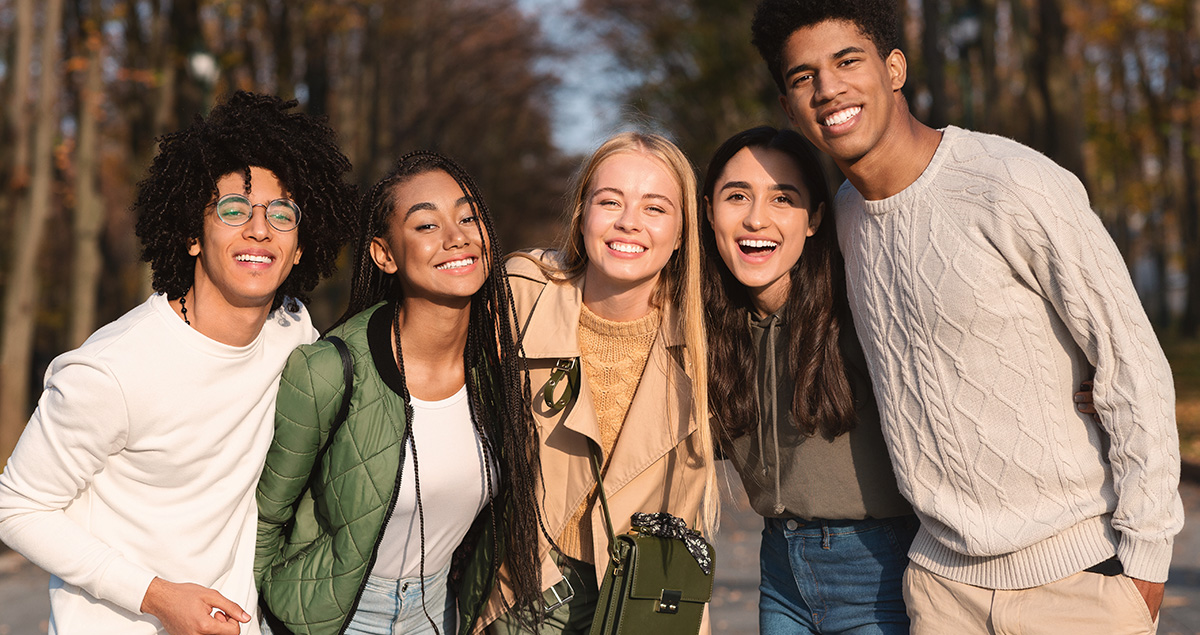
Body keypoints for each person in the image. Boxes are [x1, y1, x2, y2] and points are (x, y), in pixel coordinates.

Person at [751, 1, 1183, 633]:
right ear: (790, 108)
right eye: (802, 77)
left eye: (848, 61)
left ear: (893, 67)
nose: (828, 89)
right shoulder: (839, 220)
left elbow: (1133, 367)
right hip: (940, 591)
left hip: (1078, 580)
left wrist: (1143, 568)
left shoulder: (1012, 184)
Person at [0, 91, 357, 635]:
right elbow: (17, 508)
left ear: (301, 246)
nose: (259, 229)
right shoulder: (112, 370)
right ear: (193, 234)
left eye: (280, 213)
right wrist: (158, 597)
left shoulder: (293, 332)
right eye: (233, 209)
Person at [255, 151, 545, 635]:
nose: (457, 237)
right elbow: (265, 520)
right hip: (333, 618)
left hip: (438, 614)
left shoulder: (496, 375)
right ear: (384, 254)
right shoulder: (331, 369)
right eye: (427, 225)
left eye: (468, 217)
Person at [483, 132, 718, 634]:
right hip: (527, 597)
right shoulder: (520, 294)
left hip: (644, 606)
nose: (629, 221)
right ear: (581, 216)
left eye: (655, 208)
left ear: (681, 233)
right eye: (610, 201)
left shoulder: (706, 336)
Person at [700, 126, 917, 634]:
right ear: (709, 212)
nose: (757, 217)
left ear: (815, 218)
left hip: (881, 569)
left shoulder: (862, 311)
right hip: (780, 571)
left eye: (783, 198)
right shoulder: (704, 328)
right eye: (737, 196)